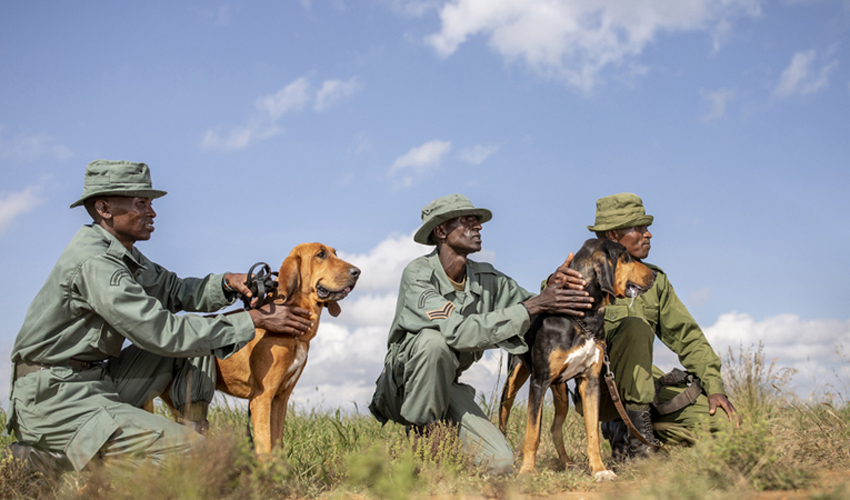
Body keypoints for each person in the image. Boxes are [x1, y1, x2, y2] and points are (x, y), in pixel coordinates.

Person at [5, 160, 314, 474]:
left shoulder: (123, 254)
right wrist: (253, 320)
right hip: (54, 398)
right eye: (141, 203)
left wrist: (227, 283)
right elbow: (162, 332)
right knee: (199, 456)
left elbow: (176, 290)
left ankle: (190, 437)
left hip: (93, 380)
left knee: (199, 346)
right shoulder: (97, 264)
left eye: (150, 203)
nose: (152, 212)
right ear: (104, 208)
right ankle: (46, 461)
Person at [368, 194, 593, 475]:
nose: (478, 227)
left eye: (477, 221)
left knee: (500, 463)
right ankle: (423, 452)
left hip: (446, 387)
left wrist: (554, 284)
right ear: (441, 231)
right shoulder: (418, 274)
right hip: (404, 386)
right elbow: (457, 332)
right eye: (467, 221)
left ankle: (447, 445)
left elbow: (536, 310)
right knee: (434, 342)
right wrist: (534, 305)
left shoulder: (488, 279)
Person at [586, 193, 739, 458]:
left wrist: (714, 387)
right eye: (639, 229)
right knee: (635, 327)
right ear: (613, 235)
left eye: (648, 228)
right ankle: (637, 447)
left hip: (643, 387)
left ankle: (630, 430)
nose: (648, 235)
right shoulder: (575, 275)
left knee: (724, 428)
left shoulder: (654, 281)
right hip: (596, 390)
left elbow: (688, 336)